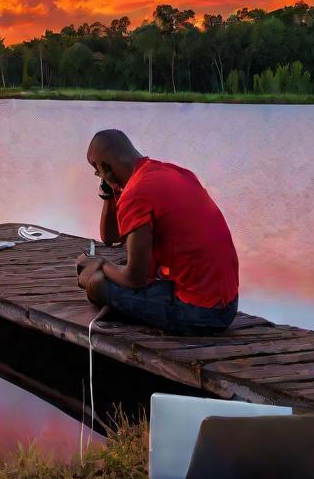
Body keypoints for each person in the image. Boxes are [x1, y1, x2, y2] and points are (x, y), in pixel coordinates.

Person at [76, 129, 239, 334]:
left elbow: (134, 278)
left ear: (107, 168)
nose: (98, 176)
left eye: (97, 170)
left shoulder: (136, 194)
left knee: (96, 284)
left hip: (201, 313)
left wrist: (100, 264)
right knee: (114, 271)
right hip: (229, 304)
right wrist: (109, 191)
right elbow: (112, 237)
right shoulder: (175, 172)